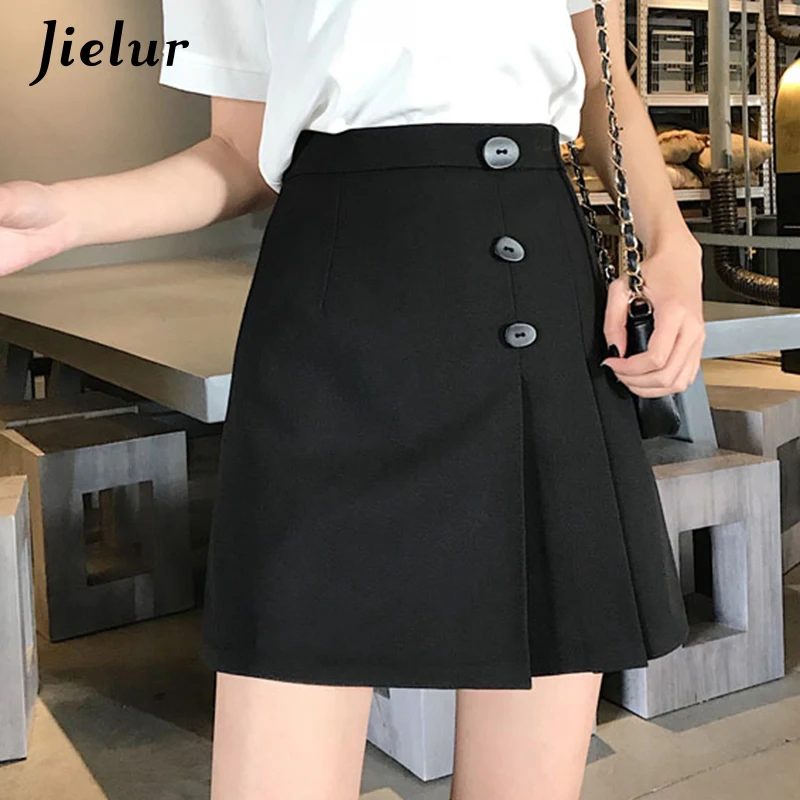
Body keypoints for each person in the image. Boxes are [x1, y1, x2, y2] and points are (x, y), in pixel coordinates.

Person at [0, 1, 705, 797]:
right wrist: (65, 216)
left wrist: (672, 244)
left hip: (537, 298)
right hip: (335, 323)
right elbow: (239, 153)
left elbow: (600, 82)